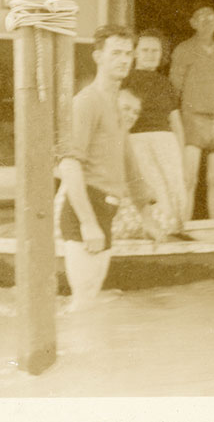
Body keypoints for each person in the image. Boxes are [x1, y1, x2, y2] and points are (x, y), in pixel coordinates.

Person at [56, 25, 156, 310]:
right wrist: (88, 222)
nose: (124, 60)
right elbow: (70, 165)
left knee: (89, 304)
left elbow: (129, 163)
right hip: (86, 207)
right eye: (116, 53)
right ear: (98, 56)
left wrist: (147, 216)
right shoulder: (86, 102)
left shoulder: (115, 102)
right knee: (83, 304)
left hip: (107, 209)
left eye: (128, 54)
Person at [169, 4, 214, 220]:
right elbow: (174, 88)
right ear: (192, 23)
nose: (207, 22)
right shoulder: (183, 49)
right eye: (200, 17)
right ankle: (185, 225)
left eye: (211, 17)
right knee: (189, 178)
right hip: (193, 118)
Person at [120, 29, 188, 234]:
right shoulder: (125, 80)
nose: (150, 54)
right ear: (135, 53)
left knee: (174, 186)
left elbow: (175, 121)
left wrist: (182, 154)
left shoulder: (166, 83)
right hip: (137, 141)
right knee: (152, 188)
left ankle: (175, 230)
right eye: (145, 50)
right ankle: (155, 230)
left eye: (155, 51)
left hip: (166, 142)